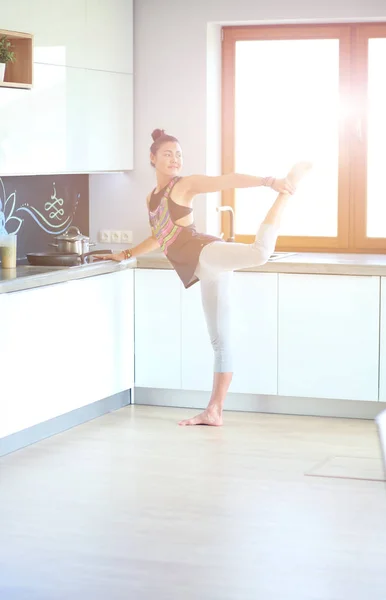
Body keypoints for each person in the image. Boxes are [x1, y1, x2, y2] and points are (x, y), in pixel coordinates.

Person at [96, 129, 312, 427]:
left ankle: (287, 192)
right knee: (220, 341)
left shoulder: (184, 185)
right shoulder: (152, 197)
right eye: (168, 153)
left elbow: (227, 180)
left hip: (204, 253)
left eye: (179, 154)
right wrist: (127, 253)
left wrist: (270, 182)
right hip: (202, 270)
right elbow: (161, 236)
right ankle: (214, 411)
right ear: (153, 157)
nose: (175, 159)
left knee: (259, 253)